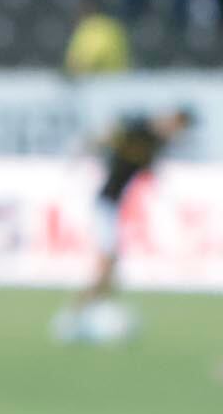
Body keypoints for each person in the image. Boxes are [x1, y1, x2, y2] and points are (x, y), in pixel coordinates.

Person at [53, 103, 193, 342]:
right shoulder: (139, 127)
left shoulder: (156, 143)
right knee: (106, 264)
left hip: (112, 206)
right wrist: (85, 150)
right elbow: (108, 137)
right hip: (105, 203)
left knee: (112, 264)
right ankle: (72, 317)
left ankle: (95, 312)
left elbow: (147, 171)